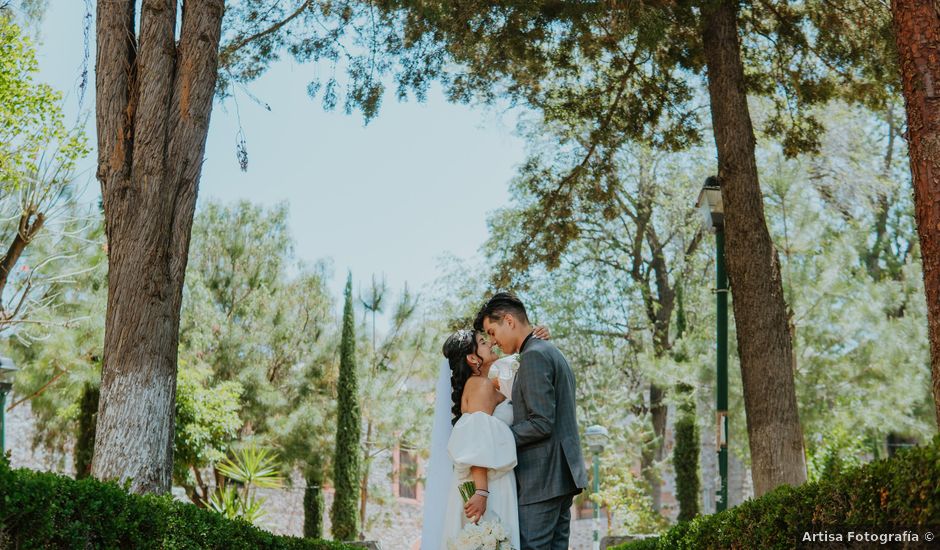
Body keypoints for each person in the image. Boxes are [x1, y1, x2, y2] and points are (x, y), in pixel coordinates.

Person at [475, 292, 587, 550]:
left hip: (542, 479)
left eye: (492, 332)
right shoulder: (550, 351)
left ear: (509, 320)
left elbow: (541, 422)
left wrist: (496, 438)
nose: (493, 341)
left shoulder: (534, 356)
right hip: (560, 477)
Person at [429, 325, 550, 550]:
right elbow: (477, 439)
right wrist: (482, 492)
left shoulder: (488, 383)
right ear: (473, 359)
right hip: (486, 483)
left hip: (491, 477)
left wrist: (535, 341)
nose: (492, 343)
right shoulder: (479, 385)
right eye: (484, 343)